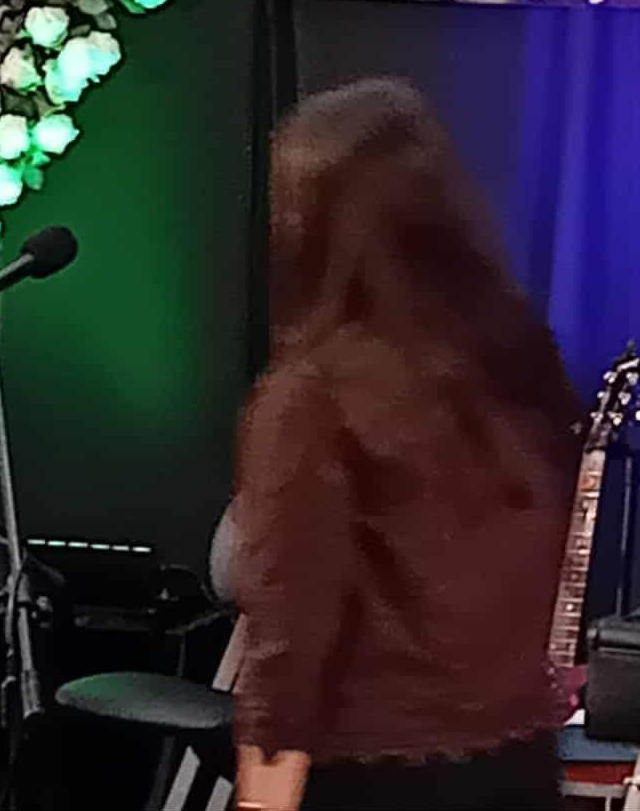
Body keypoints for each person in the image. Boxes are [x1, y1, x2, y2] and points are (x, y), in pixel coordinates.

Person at [233, 80, 583, 811]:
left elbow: (289, 649)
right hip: (519, 766)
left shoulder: (312, 396)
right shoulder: (520, 362)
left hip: (378, 773)